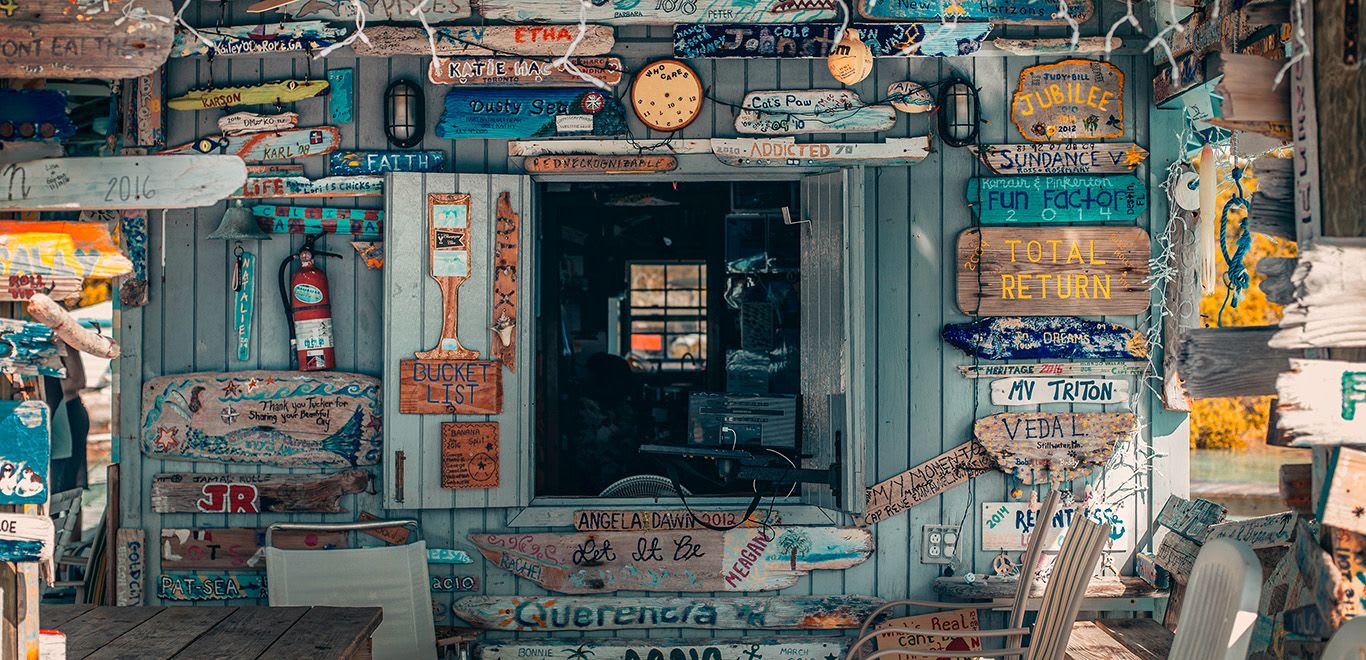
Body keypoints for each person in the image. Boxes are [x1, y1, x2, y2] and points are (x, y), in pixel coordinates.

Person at [47, 343, 88, 493]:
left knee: (72, 482)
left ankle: (70, 515)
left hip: (69, 413)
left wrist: (46, 388)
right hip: (47, 413)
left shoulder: (63, 342)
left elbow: (78, 381)